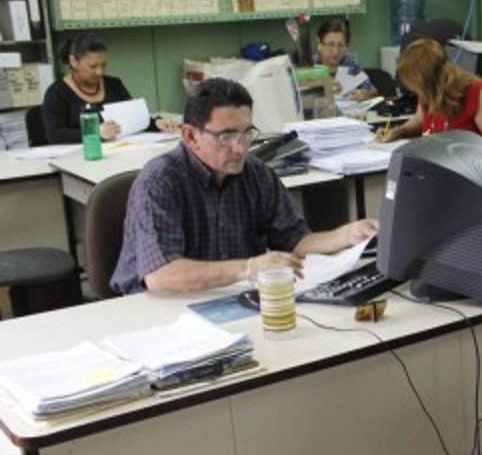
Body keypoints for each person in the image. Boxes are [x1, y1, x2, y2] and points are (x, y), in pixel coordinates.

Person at [110, 78, 378, 294]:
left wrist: (345, 236)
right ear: (191, 136)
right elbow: (161, 276)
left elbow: (295, 241)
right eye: (226, 136)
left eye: (246, 133)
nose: (240, 148)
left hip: (230, 297)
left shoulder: (257, 174)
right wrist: (248, 268)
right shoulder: (160, 181)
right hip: (157, 309)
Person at [41, 33, 178, 144]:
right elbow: (55, 134)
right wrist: (96, 133)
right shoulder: (57, 93)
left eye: (103, 65)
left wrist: (157, 123)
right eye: (93, 66)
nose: (99, 72)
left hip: (119, 152)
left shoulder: (114, 84)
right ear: (73, 61)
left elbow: (133, 118)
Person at [375, 38, 482, 144]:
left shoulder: (477, 92)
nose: (417, 93)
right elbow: (419, 120)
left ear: (430, 81)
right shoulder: (428, 94)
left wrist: (459, 151)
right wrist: (398, 132)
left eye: (417, 87)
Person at [316, 18, 377, 101]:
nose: (336, 51)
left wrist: (366, 94)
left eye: (340, 45)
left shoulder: (351, 64)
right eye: (330, 44)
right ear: (319, 44)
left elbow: (373, 91)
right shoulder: (309, 66)